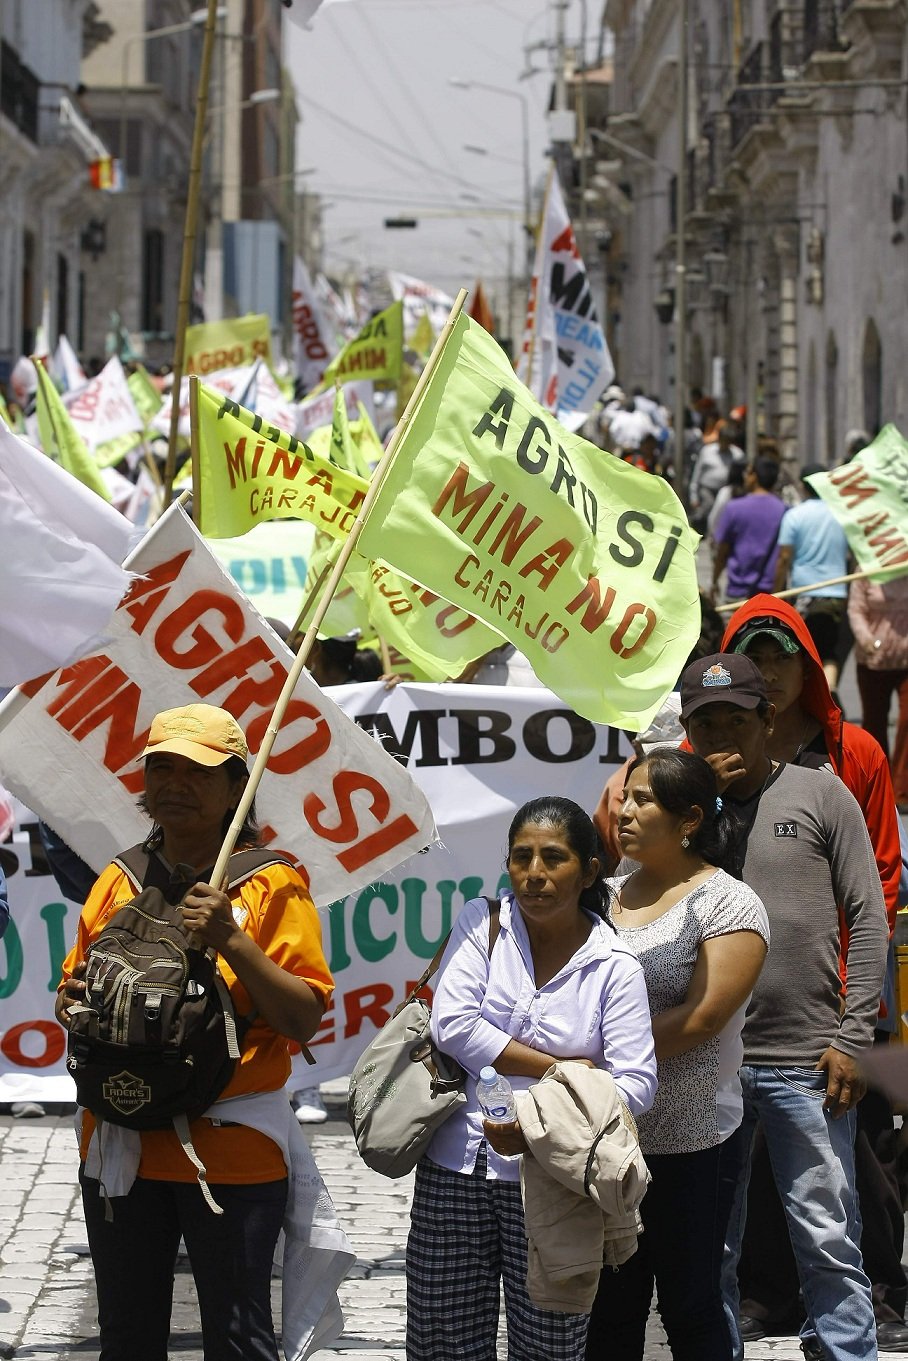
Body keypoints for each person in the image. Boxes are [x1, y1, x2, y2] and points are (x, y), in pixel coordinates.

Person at [56, 703, 335, 1361]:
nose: (175, 784)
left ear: (237, 785)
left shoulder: (271, 884)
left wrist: (231, 938)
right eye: (162, 768)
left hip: (230, 1151)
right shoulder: (117, 879)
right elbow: (74, 993)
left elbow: (302, 1017)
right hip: (121, 1141)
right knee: (126, 1337)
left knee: (238, 1339)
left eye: (197, 771)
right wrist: (75, 1002)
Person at [680, 653, 889, 1361]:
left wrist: (855, 1035)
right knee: (714, 1240)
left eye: (735, 721)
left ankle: (843, 1351)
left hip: (808, 1057)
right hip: (708, 1066)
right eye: (704, 726)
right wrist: (701, 808)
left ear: (768, 719)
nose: (721, 740)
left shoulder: (821, 795)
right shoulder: (678, 809)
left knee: (827, 1231)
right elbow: (644, 904)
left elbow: (869, 915)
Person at [405, 796, 657, 1361]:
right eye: (521, 858)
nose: (534, 875)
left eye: (553, 858)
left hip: (558, 1183)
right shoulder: (482, 923)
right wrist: (564, 1069)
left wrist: (540, 1124)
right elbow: (452, 1026)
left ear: (590, 869)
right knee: (441, 1342)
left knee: (549, 1345)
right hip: (456, 1167)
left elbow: (636, 1082)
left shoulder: (615, 966)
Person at [720, 599, 907, 1352]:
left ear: (807, 665)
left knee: (849, 1163)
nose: (768, 671)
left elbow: (879, 882)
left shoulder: (850, 754)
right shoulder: (706, 756)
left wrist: (854, 1003)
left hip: (834, 1008)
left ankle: (875, 1290)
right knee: (741, 1184)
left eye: (781, 656)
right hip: (732, 1030)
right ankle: (766, 1292)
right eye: (752, 656)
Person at [586, 748, 769, 1361]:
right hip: (606, 1133)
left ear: (689, 818)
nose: (624, 809)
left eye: (642, 799)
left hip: (692, 1140)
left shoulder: (727, 903)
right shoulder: (600, 899)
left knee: (691, 1305)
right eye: (624, 796)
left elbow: (704, 1017)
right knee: (609, 1308)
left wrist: (597, 1062)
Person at [773, 466, 851, 688]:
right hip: (836, 594)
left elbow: (784, 557)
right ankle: (830, 691)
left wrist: (777, 593)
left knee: (803, 652)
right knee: (829, 653)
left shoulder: (795, 515)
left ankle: (814, 695)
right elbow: (853, 556)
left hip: (803, 595)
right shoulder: (841, 515)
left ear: (802, 485)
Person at [848, 574, 908, 810]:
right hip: (872, 662)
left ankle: (901, 789)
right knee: (874, 726)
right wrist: (868, 641)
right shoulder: (866, 570)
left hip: (906, 663)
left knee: (906, 722)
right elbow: (855, 611)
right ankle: (877, 787)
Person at [711, 458, 786, 603]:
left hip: (738, 591)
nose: (744, 477)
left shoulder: (734, 508)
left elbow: (722, 551)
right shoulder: (784, 509)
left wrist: (715, 581)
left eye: (748, 472)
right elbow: (785, 554)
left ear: (754, 476)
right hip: (770, 593)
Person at [689, 420, 746, 533]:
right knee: (708, 507)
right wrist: (693, 495)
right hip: (707, 488)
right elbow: (697, 473)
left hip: (726, 489)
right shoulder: (707, 451)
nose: (725, 444)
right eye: (723, 441)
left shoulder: (737, 454)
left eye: (728, 442)